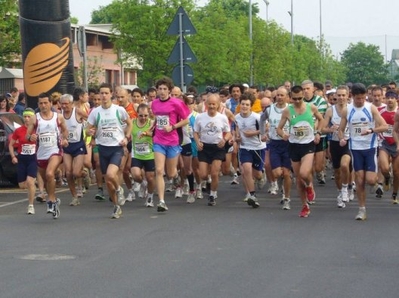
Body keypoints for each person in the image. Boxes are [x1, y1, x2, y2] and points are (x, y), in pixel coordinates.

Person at [338, 83, 388, 220]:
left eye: (362, 98)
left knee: (370, 180)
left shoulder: (370, 108)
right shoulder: (347, 110)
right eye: (357, 98)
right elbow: (341, 129)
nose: (360, 101)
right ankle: (362, 210)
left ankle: (376, 184)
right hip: (355, 148)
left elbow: (384, 125)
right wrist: (342, 138)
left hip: (370, 147)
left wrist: (372, 130)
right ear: (352, 96)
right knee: (360, 180)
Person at [276, 85, 323, 218]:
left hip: (308, 144)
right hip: (294, 145)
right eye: (295, 99)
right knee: (298, 180)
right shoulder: (287, 111)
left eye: (300, 98)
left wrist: (318, 132)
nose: (297, 101)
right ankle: (305, 205)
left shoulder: (311, 108)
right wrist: (283, 134)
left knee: (304, 173)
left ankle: (310, 185)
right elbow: (279, 129)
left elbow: (321, 119)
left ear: (303, 96)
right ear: (290, 98)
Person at [86, 83, 132, 219]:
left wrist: (127, 137)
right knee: (108, 182)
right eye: (101, 93)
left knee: (112, 175)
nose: (104, 96)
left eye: (106, 93)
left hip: (116, 147)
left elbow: (129, 124)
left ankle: (119, 189)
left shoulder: (118, 110)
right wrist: (90, 132)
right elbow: (88, 130)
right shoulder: (95, 112)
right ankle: (116, 206)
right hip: (102, 148)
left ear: (111, 94)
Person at [27, 93, 69, 219]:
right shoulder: (35, 118)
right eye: (41, 103)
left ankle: (50, 201)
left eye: (46, 103)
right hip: (41, 153)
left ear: (51, 103)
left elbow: (65, 130)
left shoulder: (58, 117)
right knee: (46, 180)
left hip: (55, 150)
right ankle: (55, 201)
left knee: (50, 174)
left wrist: (65, 139)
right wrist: (31, 137)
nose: (43, 105)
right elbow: (27, 136)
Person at [150, 77, 190, 212]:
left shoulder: (177, 103)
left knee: (171, 173)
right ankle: (161, 201)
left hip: (173, 140)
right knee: (159, 171)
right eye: (159, 89)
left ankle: (176, 177)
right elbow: (157, 119)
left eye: (164, 89)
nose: (162, 92)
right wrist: (151, 128)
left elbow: (185, 121)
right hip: (158, 141)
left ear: (169, 90)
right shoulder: (154, 104)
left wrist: (173, 127)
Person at [193, 94, 232, 206]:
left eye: (214, 104)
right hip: (204, 147)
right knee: (203, 174)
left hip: (218, 147)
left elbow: (228, 132)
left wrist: (224, 140)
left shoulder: (222, 117)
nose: (211, 106)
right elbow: (195, 132)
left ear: (218, 105)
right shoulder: (200, 117)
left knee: (215, 172)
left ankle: (212, 195)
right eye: (209, 104)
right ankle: (208, 180)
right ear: (206, 104)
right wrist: (197, 142)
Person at [321, 85, 352, 208]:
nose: (341, 97)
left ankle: (346, 188)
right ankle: (340, 192)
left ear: (348, 95)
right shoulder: (330, 110)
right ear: (335, 96)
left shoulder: (352, 109)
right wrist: (330, 129)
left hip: (349, 141)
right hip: (334, 143)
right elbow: (322, 129)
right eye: (338, 95)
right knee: (337, 172)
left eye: (343, 95)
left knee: (345, 165)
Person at [261, 86, 292, 209]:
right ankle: (280, 185)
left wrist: (291, 135)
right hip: (274, 143)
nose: (279, 97)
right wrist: (263, 134)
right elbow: (262, 120)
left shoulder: (291, 109)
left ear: (287, 97)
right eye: (278, 95)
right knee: (277, 173)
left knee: (286, 173)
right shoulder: (270, 109)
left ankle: (286, 198)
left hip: (288, 144)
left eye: (282, 95)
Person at [235, 93, 266, 208]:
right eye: (243, 104)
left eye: (247, 105)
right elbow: (236, 131)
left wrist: (252, 133)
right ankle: (252, 195)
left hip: (258, 147)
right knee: (246, 169)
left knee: (257, 174)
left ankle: (261, 176)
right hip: (244, 147)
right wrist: (237, 138)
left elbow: (265, 129)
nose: (244, 106)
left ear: (251, 106)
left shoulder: (257, 117)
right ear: (240, 104)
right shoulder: (236, 117)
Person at [60, 93, 88, 206]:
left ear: (71, 104)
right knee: (68, 173)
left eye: (66, 104)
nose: (64, 106)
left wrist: (89, 132)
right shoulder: (59, 115)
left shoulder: (78, 112)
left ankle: (84, 174)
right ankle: (74, 197)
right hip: (67, 146)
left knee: (76, 172)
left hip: (78, 144)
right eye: (62, 104)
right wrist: (62, 138)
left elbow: (91, 120)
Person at [9, 108, 37, 214]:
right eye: (25, 116)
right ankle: (35, 182)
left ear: (33, 118)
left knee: (30, 182)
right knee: (22, 185)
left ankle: (31, 205)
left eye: (29, 116)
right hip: (22, 158)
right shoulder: (18, 130)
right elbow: (11, 145)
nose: (27, 119)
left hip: (33, 158)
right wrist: (13, 156)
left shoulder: (36, 129)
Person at [302, 80, 328, 185]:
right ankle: (310, 184)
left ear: (313, 89)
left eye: (308, 89)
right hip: (305, 135)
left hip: (318, 133)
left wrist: (316, 132)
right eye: (303, 89)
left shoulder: (320, 101)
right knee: (309, 163)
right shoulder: (300, 101)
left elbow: (319, 118)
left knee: (318, 166)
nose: (306, 91)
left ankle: (319, 172)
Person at [130, 103, 156, 207]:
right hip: (137, 154)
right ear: (137, 114)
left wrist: (147, 133)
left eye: (145, 115)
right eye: (141, 115)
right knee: (136, 175)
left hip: (150, 155)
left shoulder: (151, 123)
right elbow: (126, 132)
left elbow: (157, 135)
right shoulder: (132, 123)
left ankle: (150, 198)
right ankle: (143, 183)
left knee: (150, 178)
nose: (143, 118)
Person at [378, 90, 399, 203]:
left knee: (397, 172)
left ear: (396, 99)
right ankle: (386, 177)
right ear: (385, 99)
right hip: (384, 142)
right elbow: (376, 125)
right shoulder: (380, 111)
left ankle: (395, 194)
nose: (390, 100)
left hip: (397, 143)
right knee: (384, 168)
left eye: (392, 97)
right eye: (388, 98)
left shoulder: (398, 112)